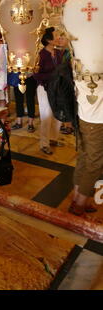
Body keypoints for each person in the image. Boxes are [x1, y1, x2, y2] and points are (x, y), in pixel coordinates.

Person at [68, 79, 103, 217]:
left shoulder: (81, 59)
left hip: (83, 116)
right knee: (94, 164)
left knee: (83, 159)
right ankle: (80, 205)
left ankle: (77, 199)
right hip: (97, 120)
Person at [33, 27, 63, 155]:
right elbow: (36, 75)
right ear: (49, 40)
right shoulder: (41, 55)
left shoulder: (59, 53)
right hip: (44, 88)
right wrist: (52, 77)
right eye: (56, 36)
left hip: (58, 88)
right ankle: (44, 144)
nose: (59, 38)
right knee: (46, 116)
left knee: (58, 115)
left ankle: (53, 139)